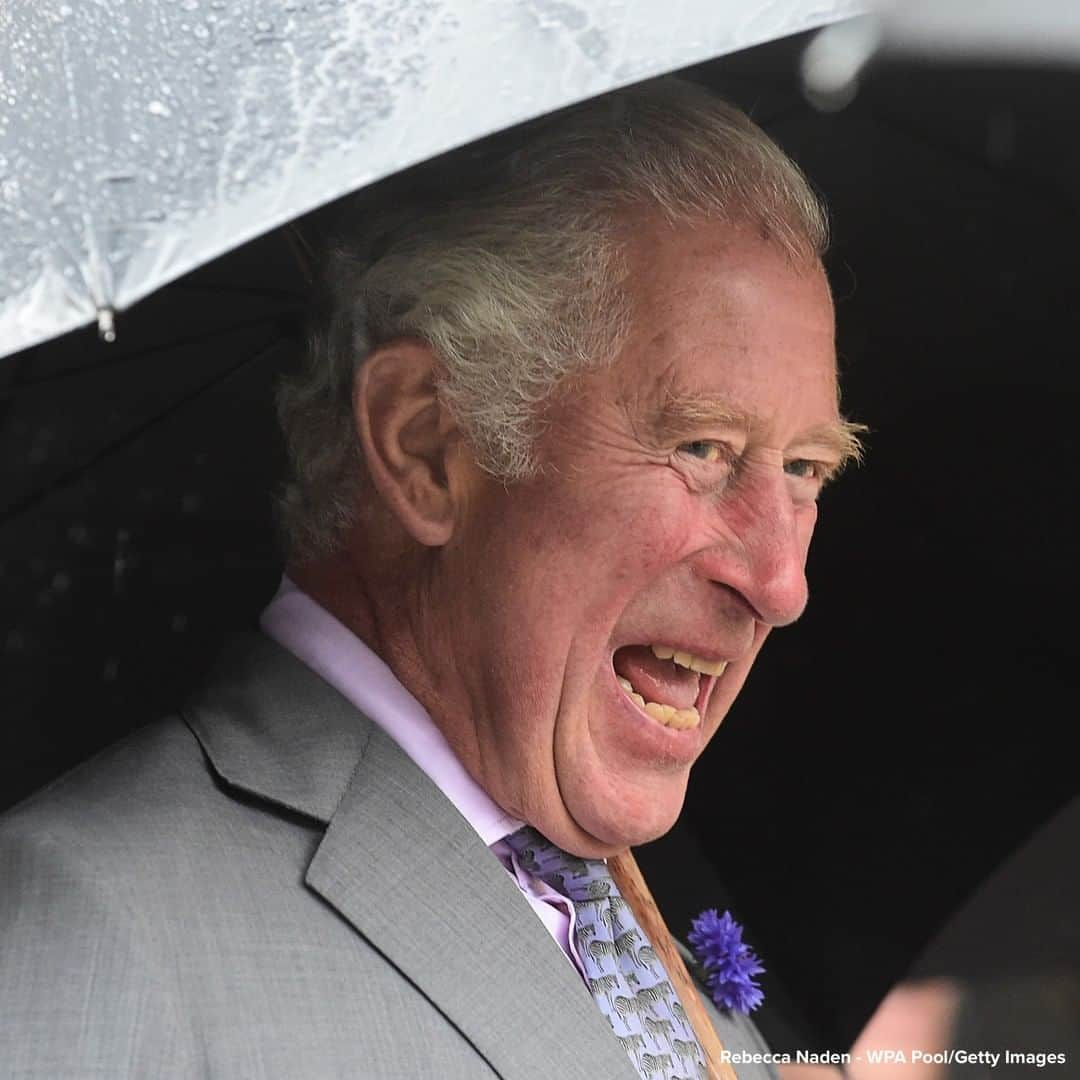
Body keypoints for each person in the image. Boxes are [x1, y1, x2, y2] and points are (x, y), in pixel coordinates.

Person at [0, 78, 863, 1079]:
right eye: (705, 447)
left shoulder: (662, 929)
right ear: (426, 447)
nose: (781, 581)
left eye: (807, 469)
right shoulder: (89, 923)